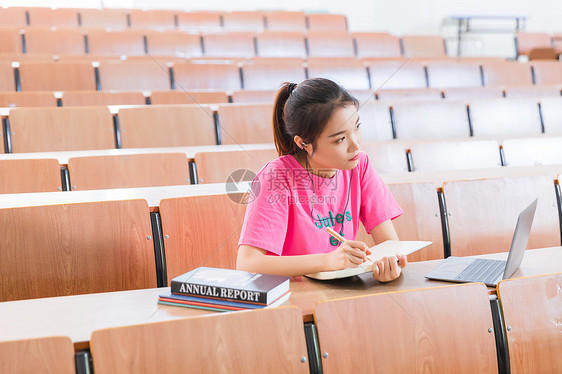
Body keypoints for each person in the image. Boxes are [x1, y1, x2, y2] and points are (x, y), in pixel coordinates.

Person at [236, 78, 406, 281]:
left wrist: (390, 266)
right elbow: (248, 263)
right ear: (303, 143)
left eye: (357, 127)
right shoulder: (276, 177)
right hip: (292, 294)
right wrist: (328, 261)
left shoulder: (359, 165)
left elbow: (389, 244)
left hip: (344, 291)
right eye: (340, 139)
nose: (355, 145)